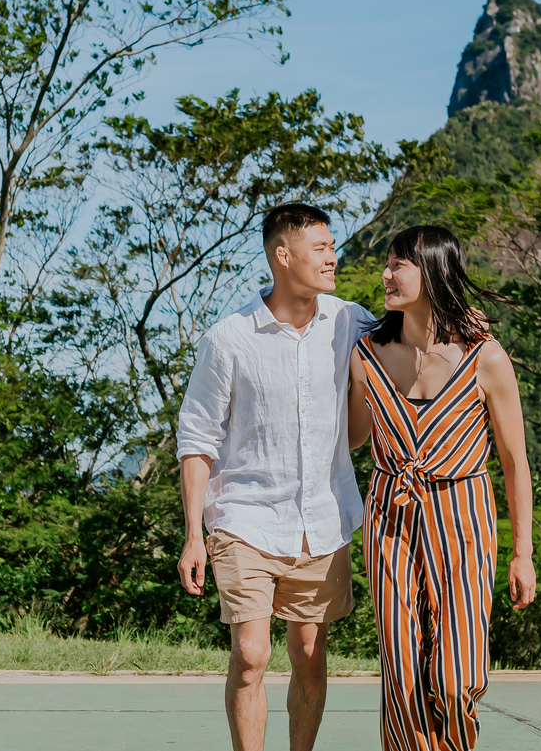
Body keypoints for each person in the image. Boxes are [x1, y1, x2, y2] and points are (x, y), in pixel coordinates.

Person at [176, 202, 372, 751]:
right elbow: (196, 440)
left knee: (310, 656)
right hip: (245, 518)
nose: (334, 257)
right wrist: (195, 534)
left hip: (323, 518)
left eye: (333, 247)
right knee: (252, 656)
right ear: (283, 256)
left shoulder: (350, 321)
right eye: (322, 248)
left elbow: (418, 342)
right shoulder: (230, 338)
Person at [347, 225, 537, 751]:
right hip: (390, 518)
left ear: (434, 270)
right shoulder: (366, 355)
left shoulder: (486, 357)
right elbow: (350, 438)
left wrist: (522, 555)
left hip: (464, 516)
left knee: (457, 678)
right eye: (386, 263)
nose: (385, 274)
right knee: (402, 676)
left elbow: (514, 462)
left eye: (398, 264)